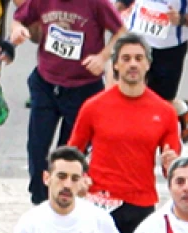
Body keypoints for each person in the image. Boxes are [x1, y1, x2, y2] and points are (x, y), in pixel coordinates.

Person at [67, 33, 181, 233]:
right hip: (100, 201)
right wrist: (79, 179)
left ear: (148, 64)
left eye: (139, 58)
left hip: (141, 203)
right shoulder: (94, 106)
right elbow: (72, 153)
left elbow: (172, 168)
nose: (133, 64)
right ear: (116, 65)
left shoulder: (165, 112)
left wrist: (170, 162)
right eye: (126, 59)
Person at [16, 0, 125, 204]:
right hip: (46, 82)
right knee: (37, 147)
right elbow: (19, 18)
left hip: (82, 88)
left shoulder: (97, 4)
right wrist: (18, 30)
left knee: (70, 153)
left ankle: (64, 199)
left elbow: (121, 32)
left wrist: (102, 57)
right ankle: (40, 200)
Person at [116, 0, 188, 108]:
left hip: (169, 48)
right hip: (135, 43)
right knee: (122, 95)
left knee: (161, 104)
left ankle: (183, 111)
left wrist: (182, 19)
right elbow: (122, 3)